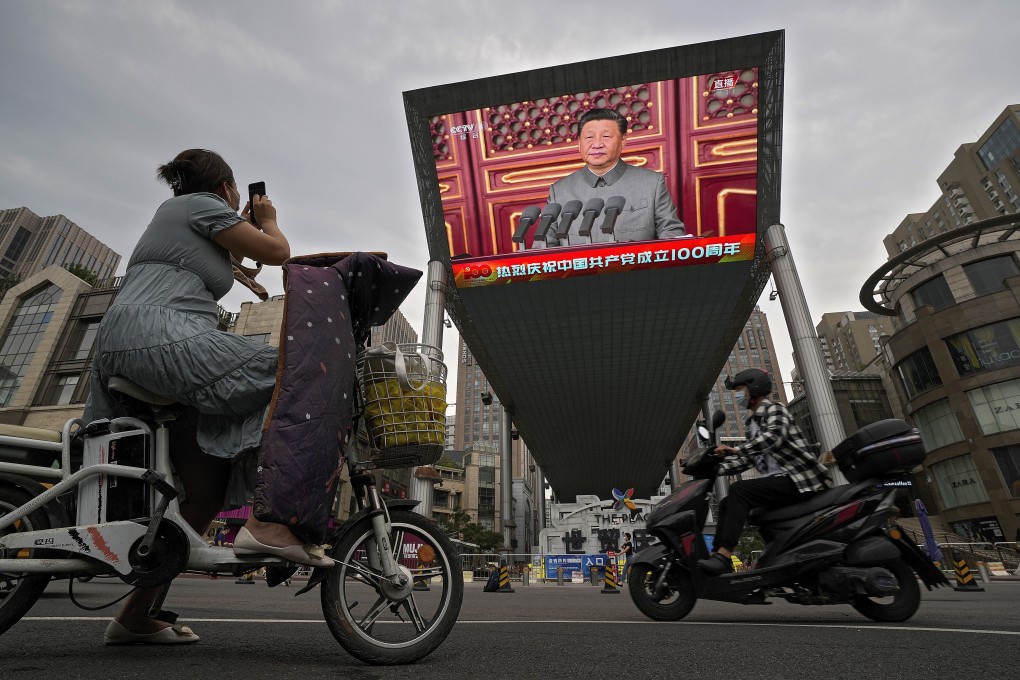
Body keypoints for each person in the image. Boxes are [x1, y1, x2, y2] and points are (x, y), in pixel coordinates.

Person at [84, 149, 333, 645]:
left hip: (141, 339)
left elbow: (234, 263)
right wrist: (268, 219)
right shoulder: (200, 205)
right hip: (157, 333)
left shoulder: (187, 219)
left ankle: (135, 617)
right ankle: (268, 525)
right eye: (235, 189)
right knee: (293, 369)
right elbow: (278, 252)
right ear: (224, 187)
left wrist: (239, 247)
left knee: (205, 488)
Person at [697, 368, 832, 576]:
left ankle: (724, 555)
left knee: (739, 490)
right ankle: (718, 555)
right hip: (779, 483)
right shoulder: (753, 423)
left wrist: (736, 449)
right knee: (726, 503)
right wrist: (715, 469)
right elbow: (750, 459)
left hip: (798, 480)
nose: (738, 395)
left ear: (754, 387)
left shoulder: (774, 409)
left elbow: (772, 438)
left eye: (740, 389)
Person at [543, 108, 686, 246]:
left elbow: (671, 233)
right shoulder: (560, 191)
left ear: (623, 140)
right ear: (579, 143)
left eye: (606, 136)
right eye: (589, 137)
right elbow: (544, 244)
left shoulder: (651, 183)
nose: (597, 144)